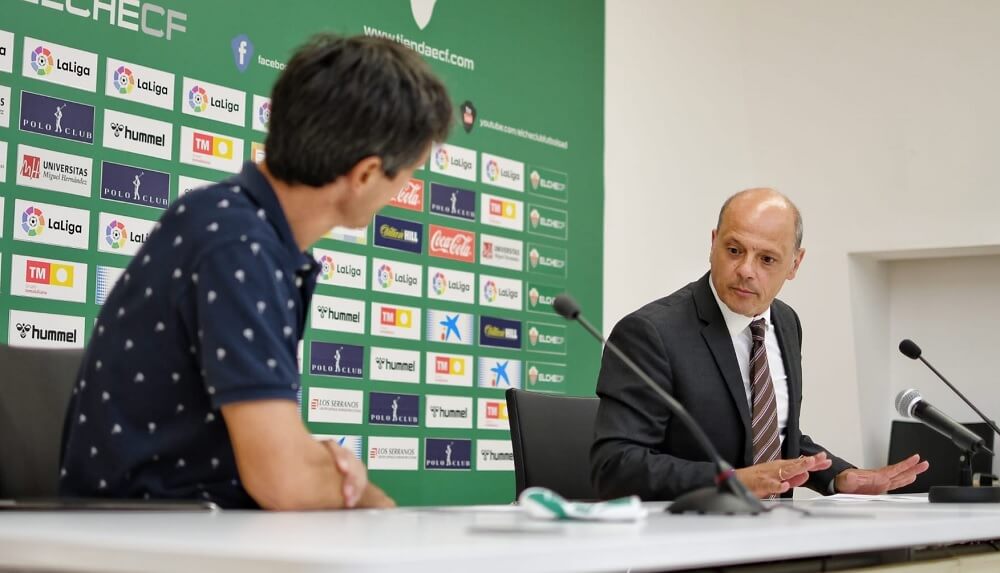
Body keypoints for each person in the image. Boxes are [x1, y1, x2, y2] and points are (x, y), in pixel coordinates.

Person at [59, 34, 452, 509]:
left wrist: (317, 463)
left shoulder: (235, 227)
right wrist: (364, 496)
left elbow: (277, 456)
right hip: (149, 542)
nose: (405, 190)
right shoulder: (238, 243)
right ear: (366, 173)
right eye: (409, 174)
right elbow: (282, 480)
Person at [591, 188, 928, 500]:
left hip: (776, 539)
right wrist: (731, 481)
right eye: (734, 251)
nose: (746, 271)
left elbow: (777, 435)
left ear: (795, 264)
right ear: (713, 244)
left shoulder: (785, 323)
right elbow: (617, 466)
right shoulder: (651, 333)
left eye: (767, 259)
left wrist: (838, 477)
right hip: (686, 542)